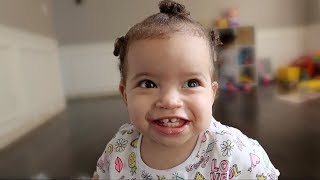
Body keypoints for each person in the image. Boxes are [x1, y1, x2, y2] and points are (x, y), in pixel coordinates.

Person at [92, 0, 279, 179]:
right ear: (125, 95)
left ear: (212, 94)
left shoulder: (235, 154)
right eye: (148, 84)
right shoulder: (120, 147)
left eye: (191, 83)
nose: (170, 101)